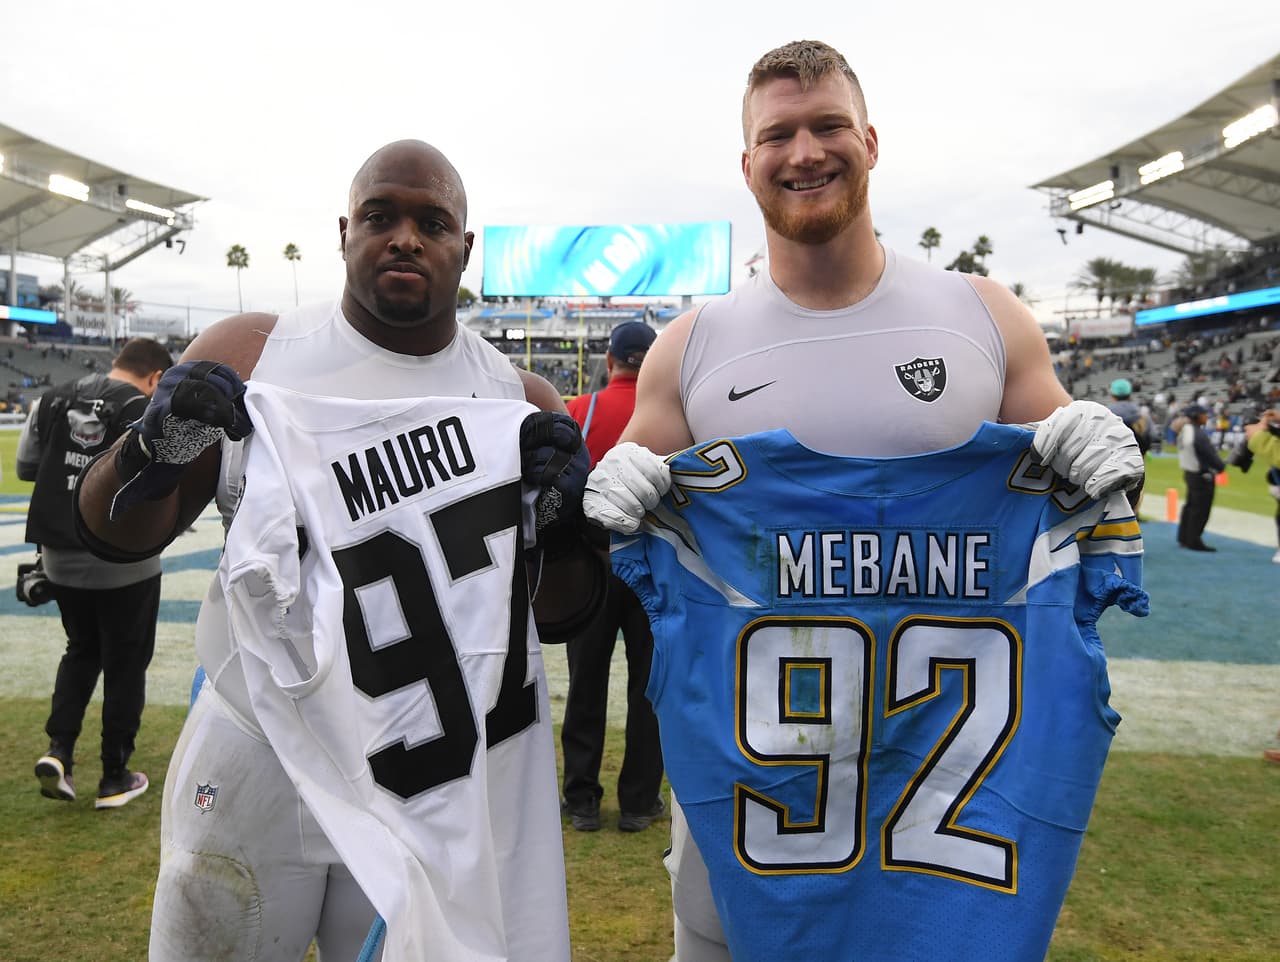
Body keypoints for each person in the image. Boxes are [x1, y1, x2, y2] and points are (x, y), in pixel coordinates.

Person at [581, 39, 1144, 962]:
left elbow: (1081, 468)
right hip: (755, 799)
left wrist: (1106, 446)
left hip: (946, 812)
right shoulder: (696, 345)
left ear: (871, 141)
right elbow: (628, 531)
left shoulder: (981, 317)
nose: (805, 151)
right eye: (779, 135)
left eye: (828, 125)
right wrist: (618, 491)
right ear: (748, 162)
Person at [74, 141, 604, 962]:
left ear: (466, 248)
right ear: (343, 231)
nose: (404, 238)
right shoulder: (256, 353)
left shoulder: (517, 400)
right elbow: (111, 530)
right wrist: (155, 447)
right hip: (259, 742)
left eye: (432, 222)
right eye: (380, 216)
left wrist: (568, 524)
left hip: (428, 774)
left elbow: (561, 614)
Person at [18, 337, 173, 809]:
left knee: (80, 649)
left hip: (60, 553)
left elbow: (28, 467)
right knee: (126, 663)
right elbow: (163, 487)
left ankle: (59, 751)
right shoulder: (144, 408)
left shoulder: (51, 396)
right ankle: (114, 775)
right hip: (124, 557)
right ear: (155, 378)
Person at [560, 320, 665, 832]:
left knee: (585, 684)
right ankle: (639, 803)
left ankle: (581, 799)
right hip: (654, 571)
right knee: (649, 688)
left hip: (591, 570)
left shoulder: (581, 410)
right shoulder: (671, 414)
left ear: (610, 361)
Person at [1175, 403, 1225, 552]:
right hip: (1201, 475)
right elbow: (1210, 454)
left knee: (1190, 507)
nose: (1206, 416)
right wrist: (1221, 466)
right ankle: (1194, 540)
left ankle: (1184, 537)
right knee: (1200, 510)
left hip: (1189, 473)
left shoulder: (1185, 430)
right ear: (1196, 416)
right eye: (1204, 414)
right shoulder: (1197, 433)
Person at [1107, 377, 1151, 511]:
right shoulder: (1141, 414)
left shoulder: (1106, 412)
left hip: (1110, 461)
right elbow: (1151, 436)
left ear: (1112, 395)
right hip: (1137, 461)